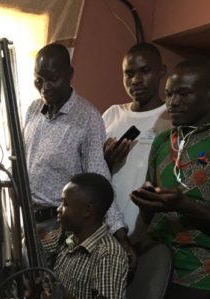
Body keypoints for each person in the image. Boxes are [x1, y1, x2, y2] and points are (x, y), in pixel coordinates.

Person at [131, 57, 210, 299]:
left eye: (184, 94)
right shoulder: (163, 142)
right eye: (169, 94)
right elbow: (149, 212)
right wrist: (135, 240)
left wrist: (184, 205)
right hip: (156, 271)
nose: (172, 103)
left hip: (203, 278)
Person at [24, 42, 134, 266]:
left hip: (58, 226)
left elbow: (98, 177)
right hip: (24, 220)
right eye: (38, 79)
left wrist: (120, 234)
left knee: (48, 286)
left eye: (53, 78)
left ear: (70, 74)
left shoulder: (88, 118)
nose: (45, 87)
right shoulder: (33, 110)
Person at [16, 173, 128, 299]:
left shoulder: (108, 254)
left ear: (87, 210)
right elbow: (39, 250)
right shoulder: (69, 236)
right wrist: (32, 236)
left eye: (65, 204)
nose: (58, 209)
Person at [103, 42, 171, 241]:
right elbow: (92, 173)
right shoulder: (112, 114)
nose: (136, 80)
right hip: (106, 228)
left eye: (145, 71)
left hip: (149, 233)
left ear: (161, 71)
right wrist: (107, 161)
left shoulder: (172, 117)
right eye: (129, 74)